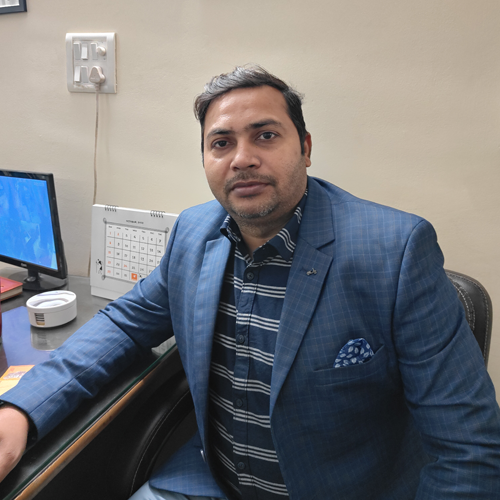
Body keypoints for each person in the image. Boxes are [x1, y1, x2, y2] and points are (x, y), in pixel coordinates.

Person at [1, 66, 500, 500]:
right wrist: (20, 409)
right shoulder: (193, 234)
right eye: (221, 143)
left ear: (305, 148)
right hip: (213, 482)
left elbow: (468, 445)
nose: (242, 158)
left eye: (265, 135)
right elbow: (125, 326)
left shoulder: (394, 252)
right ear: (205, 161)